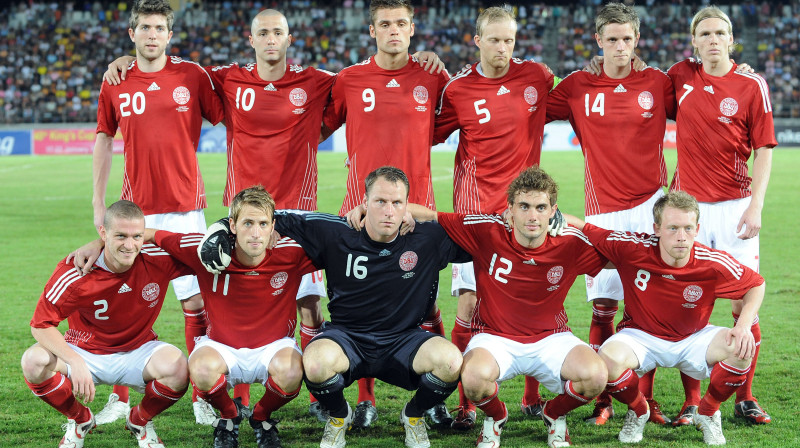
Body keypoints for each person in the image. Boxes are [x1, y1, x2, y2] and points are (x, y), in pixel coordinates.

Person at [201, 166, 471, 448]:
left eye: (397, 203)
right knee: (315, 362)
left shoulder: (426, 237)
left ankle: (413, 416)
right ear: (364, 203)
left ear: (407, 206)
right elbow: (265, 218)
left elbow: (479, 233)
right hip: (347, 337)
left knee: (451, 362)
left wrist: (428, 214)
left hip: (404, 339)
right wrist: (220, 228)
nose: (389, 211)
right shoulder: (335, 231)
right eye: (380, 201)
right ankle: (340, 415)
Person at [406, 166, 609, 448]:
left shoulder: (569, 242)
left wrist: (580, 224)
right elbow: (431, 215)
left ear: (553, 211)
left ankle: (553, 413)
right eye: (524, 206)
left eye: (541, 207)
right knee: (473, 380)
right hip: (494, 337)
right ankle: (497, 416)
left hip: (552, 337)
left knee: (596, 376)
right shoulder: (486, 229)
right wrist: (378, 211)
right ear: (510, 208)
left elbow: (616, 252)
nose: (532, 216)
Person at [91, 0, 224, 426]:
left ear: (170, 34)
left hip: (186, 209)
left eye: (159, 28)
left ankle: (202, 394)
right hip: (136, 215)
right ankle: (117, 394)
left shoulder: (192, 75)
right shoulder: (115, 81)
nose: (152, 34)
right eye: (144, 27)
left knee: (197, 301)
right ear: (132, 34)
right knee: (122, 303)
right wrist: (98, 202)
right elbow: (102, 138)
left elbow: (228, 111)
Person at [321, 0, 452, 428]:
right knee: (358, 308)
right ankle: (364, 400)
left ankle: (433, 396)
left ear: (412, 28)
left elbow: (462, 113)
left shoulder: (432, 76)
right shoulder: (349, 79)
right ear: (371, 31)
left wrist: (441, 66)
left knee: (425, 304)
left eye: (400, 23)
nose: (393, 30)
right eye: (384, 24)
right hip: (359, 215)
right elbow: (317, 124)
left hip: (417, 217)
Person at [545, 2, 676, 426]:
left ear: (637, 40)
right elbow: (528, 106)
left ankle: (647, 399)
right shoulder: (577, 85)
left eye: (627, 39)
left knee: (647, 309)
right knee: (603, 306)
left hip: (650, 209)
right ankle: (603, 397)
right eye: (612, 39)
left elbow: (702, 96)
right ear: (598, 41)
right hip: (602, 213)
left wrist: (739, 68)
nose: (620, 47)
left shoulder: (658, 82)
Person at [430, 6, 557, 429]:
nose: (502, 49)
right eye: (495, 40)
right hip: (476, 216)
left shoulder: (537, 76)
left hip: (526, 217)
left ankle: (532, 398)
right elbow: (424, 130)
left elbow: (573, 94)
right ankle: (468, 403)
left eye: (509, 40)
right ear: (477, 41)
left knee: (533, 302)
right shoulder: (458, 89)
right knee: (469, 303)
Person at [564, 191, 765, 445]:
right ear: (656, 228)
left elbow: (756, 284)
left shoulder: (711, 262)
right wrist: (551, 216)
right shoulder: (632, 248)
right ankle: (639, 411)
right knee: (607, 362)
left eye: (688, 228)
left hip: (694, 337)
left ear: (697, 229)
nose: (681, 237)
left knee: (742, 349)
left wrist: (744, 325)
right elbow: (586, 227)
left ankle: (708, 411)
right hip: (641, 336)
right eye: (672, 228)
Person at [667, 6, 776, 426]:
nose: (713, 39)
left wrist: (756, 204)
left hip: (734, 208)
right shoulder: (679, 77)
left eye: (720, 33)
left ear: (731, 40)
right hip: (688, 211)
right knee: (685, 305)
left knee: (742, 304)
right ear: (694, 42)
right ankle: (692, 402)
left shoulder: (752, 84)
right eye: (705, 33)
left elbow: (764, 148)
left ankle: (744, 397)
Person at [21, 200, 192, 448]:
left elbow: (198, 247)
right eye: (120, 236)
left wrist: (150, 235)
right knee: (33, 361)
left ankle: (139, 421)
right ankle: (80, 420)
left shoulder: (155, 258)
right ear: (103, 233)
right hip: (85, 351)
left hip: (137, 350)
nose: (130, 245)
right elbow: (40, 324)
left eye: (137, 236)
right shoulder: (76, 270)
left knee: (179, 369)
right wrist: (74, 360)